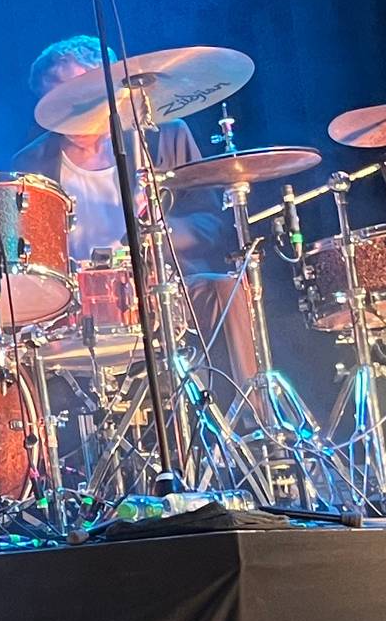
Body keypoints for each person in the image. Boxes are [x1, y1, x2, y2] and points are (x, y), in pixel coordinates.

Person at [16, 35, 256, 379]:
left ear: (109, 88)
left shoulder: (164, 138)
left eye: (73, 94)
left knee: (226, 287)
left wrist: (160, 224)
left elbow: (211, 223)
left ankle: (253, 420)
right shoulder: (31, 164)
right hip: (78, 307)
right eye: (51, 100)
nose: (64, 109)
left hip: (166, 290)